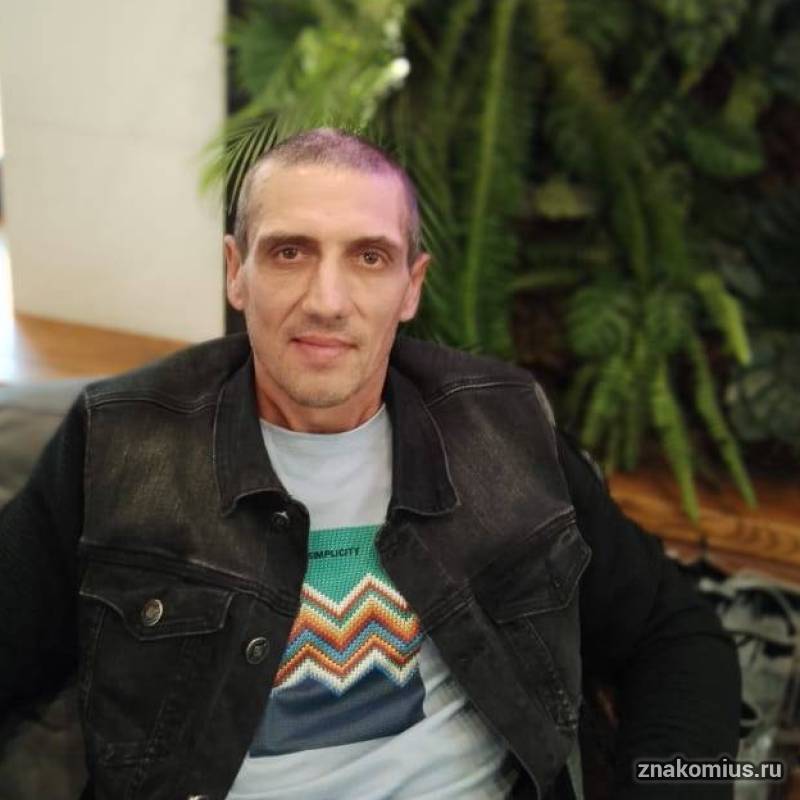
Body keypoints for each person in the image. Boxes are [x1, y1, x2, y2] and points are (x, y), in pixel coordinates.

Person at [0, 128, 740, 800]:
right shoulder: (119, 446)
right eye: (290, 252)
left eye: (369, 257)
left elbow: (675, 635)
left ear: (411, 287)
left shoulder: (506, 429)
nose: (327, 301)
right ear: (236, 272)